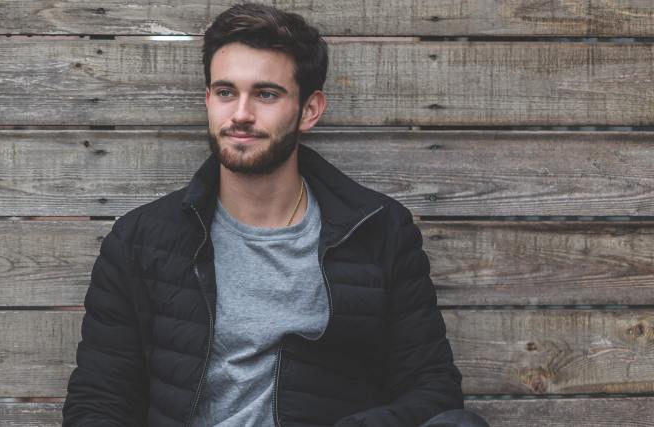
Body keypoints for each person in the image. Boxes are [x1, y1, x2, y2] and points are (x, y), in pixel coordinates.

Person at [62, 3, 490, 427]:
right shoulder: (141, 240)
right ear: (208, 99)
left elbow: (433, 390)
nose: (241, 114)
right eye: (226, 92)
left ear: (309, 110)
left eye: (266, 94)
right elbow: (98, 402)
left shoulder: (378, 229)